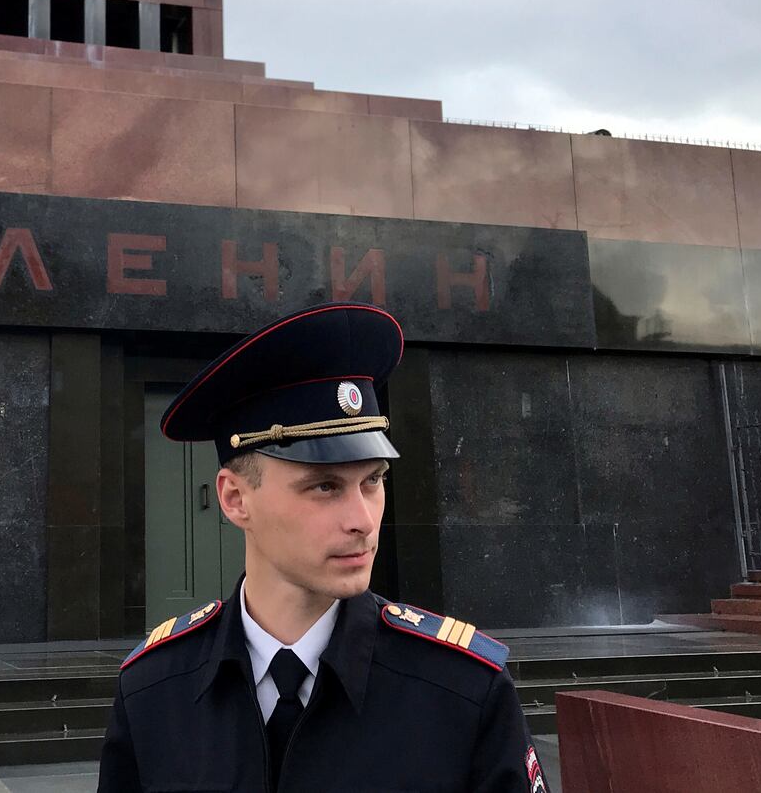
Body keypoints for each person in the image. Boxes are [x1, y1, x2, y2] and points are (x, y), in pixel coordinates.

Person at [97, 302, 548, 792]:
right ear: (234, 498)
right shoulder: (154, 690)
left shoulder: (462, 691)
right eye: (324, 487)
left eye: (372, 481)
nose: (363, 521)